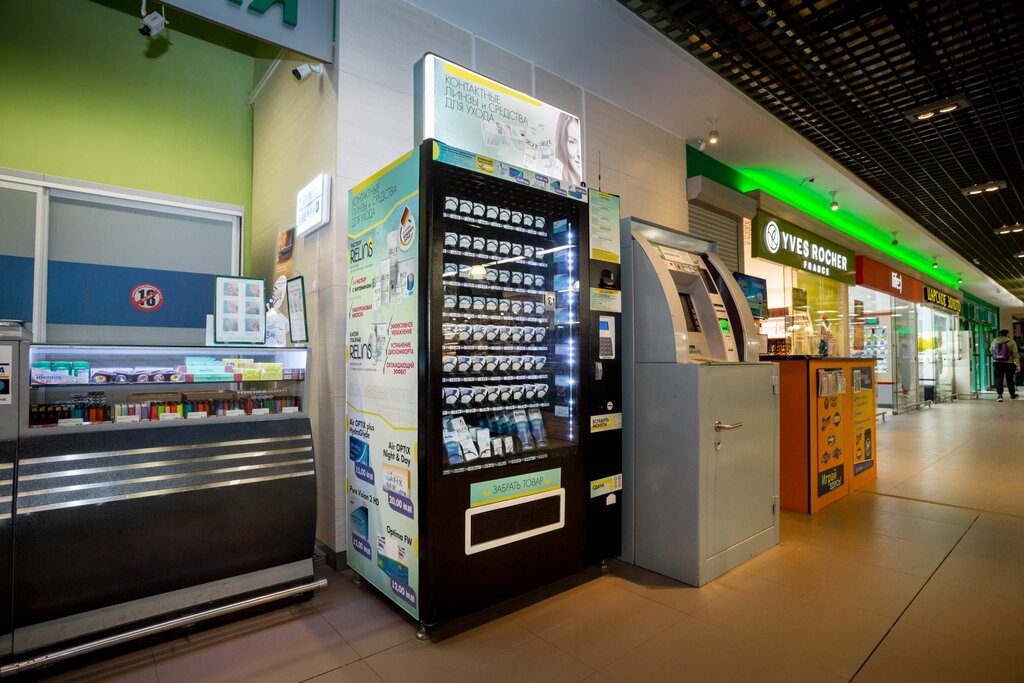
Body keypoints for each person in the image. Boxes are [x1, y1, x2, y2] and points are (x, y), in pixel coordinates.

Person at [555, 112, 582, 186]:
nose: (579, 154)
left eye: (581, 143)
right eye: (572, 142)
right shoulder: (556, 177)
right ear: (562, 143)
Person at [990, 329, 1018, 401]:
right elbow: (1015, 354)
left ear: (1000, 334)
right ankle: (1012, 395)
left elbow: (991, 350)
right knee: (1010, 379)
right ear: (1007, 334)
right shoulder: (1011, 342)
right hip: (1009, 363)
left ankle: (1000, 395)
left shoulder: (994, 341)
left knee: (998, 378)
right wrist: (1018, 364)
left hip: (997, 363)